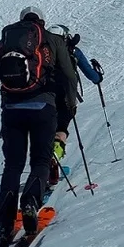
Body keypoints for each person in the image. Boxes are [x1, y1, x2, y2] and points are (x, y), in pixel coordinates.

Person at [0, 7, 78, 247]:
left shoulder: (7, 41)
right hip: (43, 109)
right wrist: (69, 103)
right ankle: (30, 203)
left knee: (13, 165)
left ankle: (5, 222)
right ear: (42, 21)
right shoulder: (53, 40)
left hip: (12, 111)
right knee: (40, 161)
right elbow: (68, 74)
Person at [44, 24, 103, 187]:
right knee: (61, 128)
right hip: (66, 97)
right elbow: (91, 74)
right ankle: (55, 154)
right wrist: (98, 77)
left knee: (45, 130)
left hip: (43, 97)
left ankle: (45, 162)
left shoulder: (42, 52)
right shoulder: (73, 51)